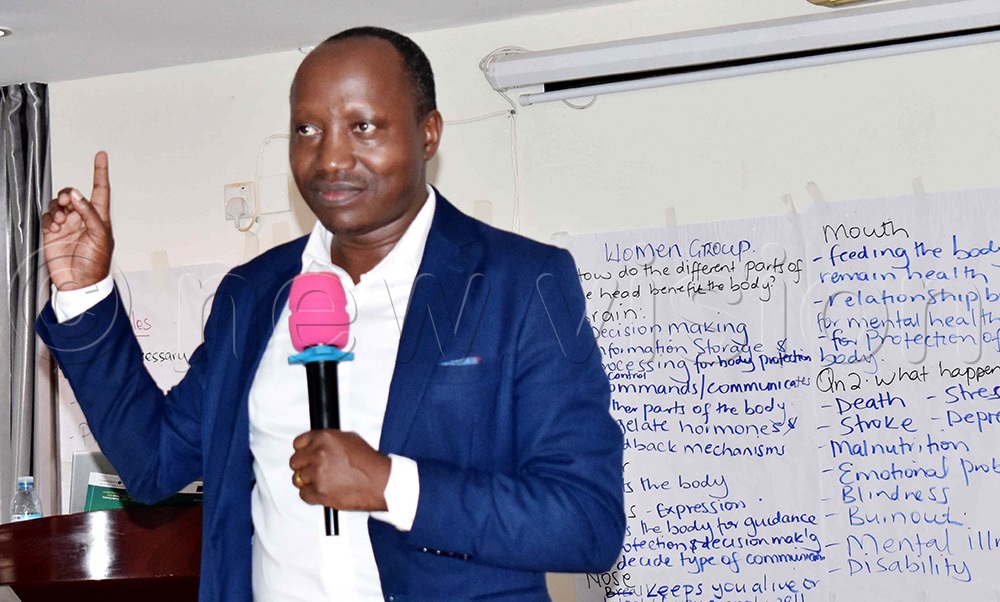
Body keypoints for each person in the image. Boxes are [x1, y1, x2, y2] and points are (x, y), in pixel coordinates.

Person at [36, 27, 624, 601]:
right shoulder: (253, 292)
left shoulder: (521, 283)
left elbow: (586, 522)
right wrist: (86, 295)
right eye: (307, 129)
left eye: (363, 126)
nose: (330, 157)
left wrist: (392, 485)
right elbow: (155, 463)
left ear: (428, 134)